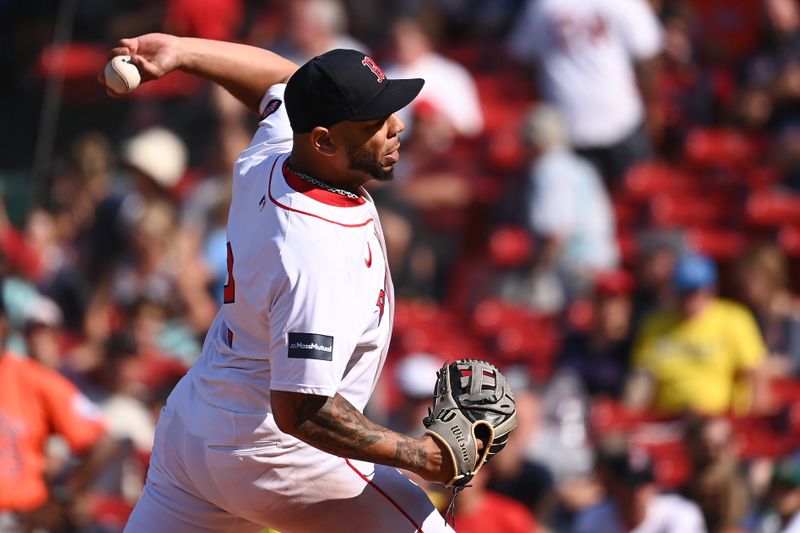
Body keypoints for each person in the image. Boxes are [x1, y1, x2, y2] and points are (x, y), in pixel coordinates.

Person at [103, 33, 459, 532]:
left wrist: (183, 53)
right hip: (274, 452)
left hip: (194, 430)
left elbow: (280, 82)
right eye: (375, 122)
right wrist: (418, 455)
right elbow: (302, 410)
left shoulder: (276, 152)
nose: (396, 126)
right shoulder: (314, 253)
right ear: (323, 139)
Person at [508, 0, 662, 184]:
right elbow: (522, 57)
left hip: (617, 122)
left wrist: (652, 108)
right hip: (570, 130)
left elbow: (647, 57)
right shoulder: (542, 5)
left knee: (637, 196)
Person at [0, 295, 115, 532]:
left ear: (4, 324)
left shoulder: (32, 377)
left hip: (21, 520)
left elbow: (103, 440)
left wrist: (63, 497)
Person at [627, 252, 768, 416]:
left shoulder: (733, 319)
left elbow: (755, 374)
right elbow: (642, 378)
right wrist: (631, 417)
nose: (690, 299)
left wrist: (756, 420)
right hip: (668, 417)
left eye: (696, 291)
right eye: (684, 292)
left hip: (720, 418)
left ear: (711, 290)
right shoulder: (655, 325)